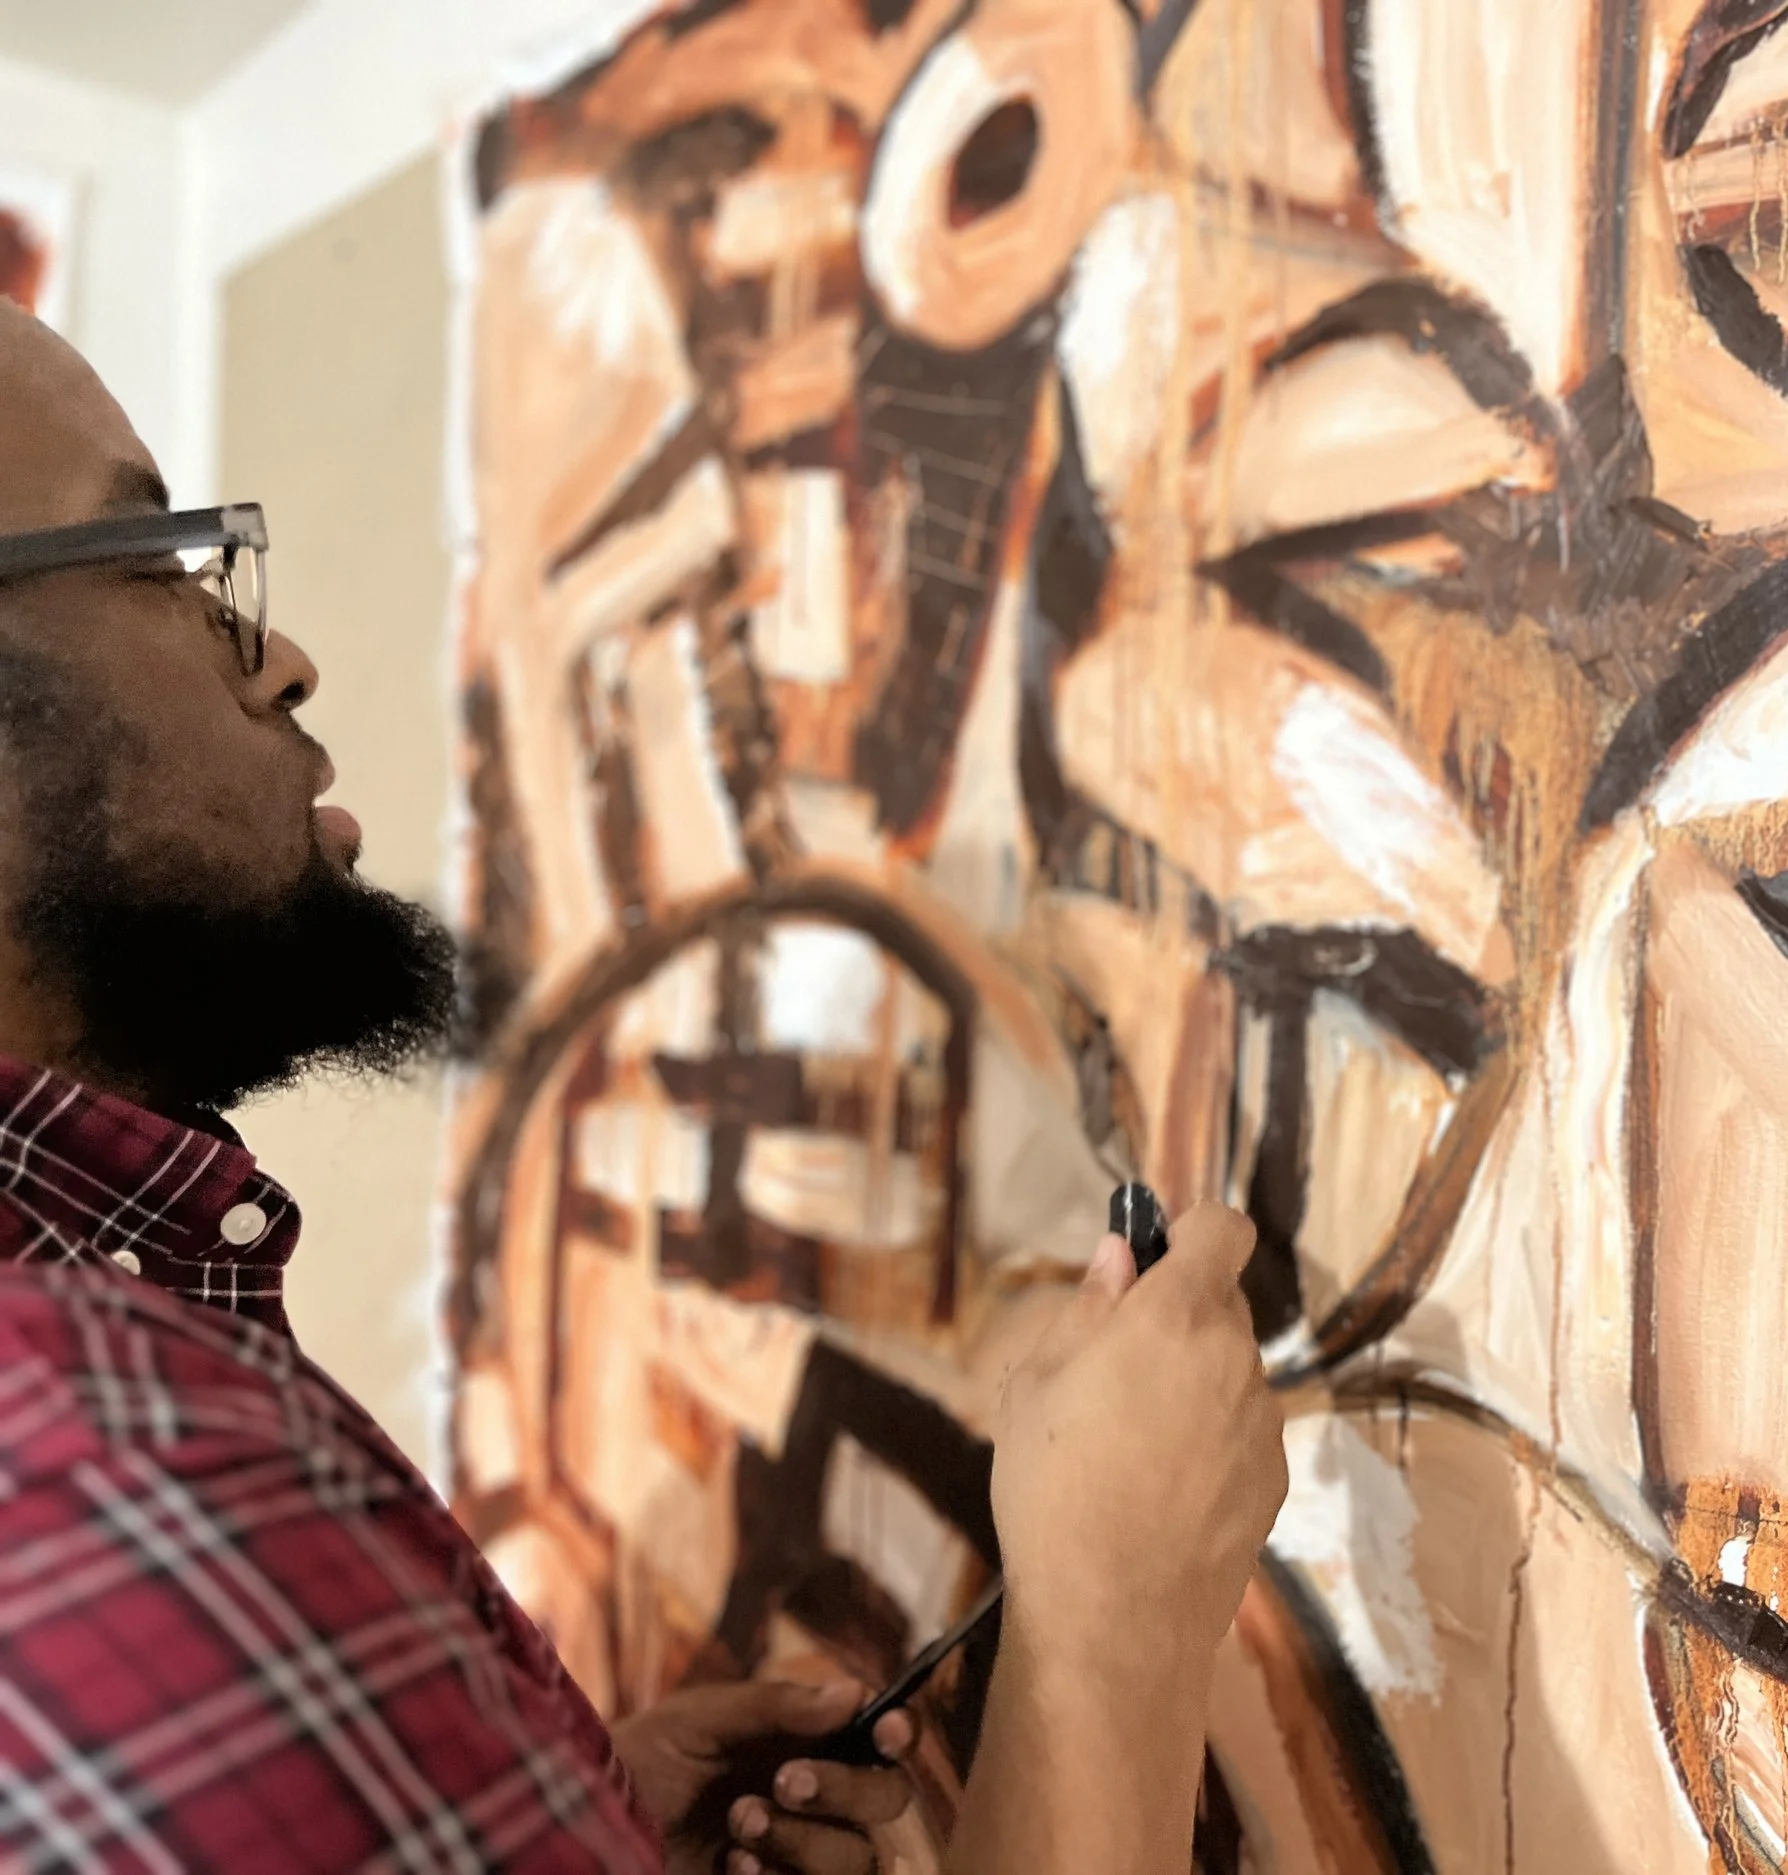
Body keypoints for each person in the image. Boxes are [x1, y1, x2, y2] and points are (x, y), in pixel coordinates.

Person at [0, 300, 1287, 1873]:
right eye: (160, 568)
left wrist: (542, 1802)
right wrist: (1110, 1634)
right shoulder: (94, 1467)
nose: (278, 656)